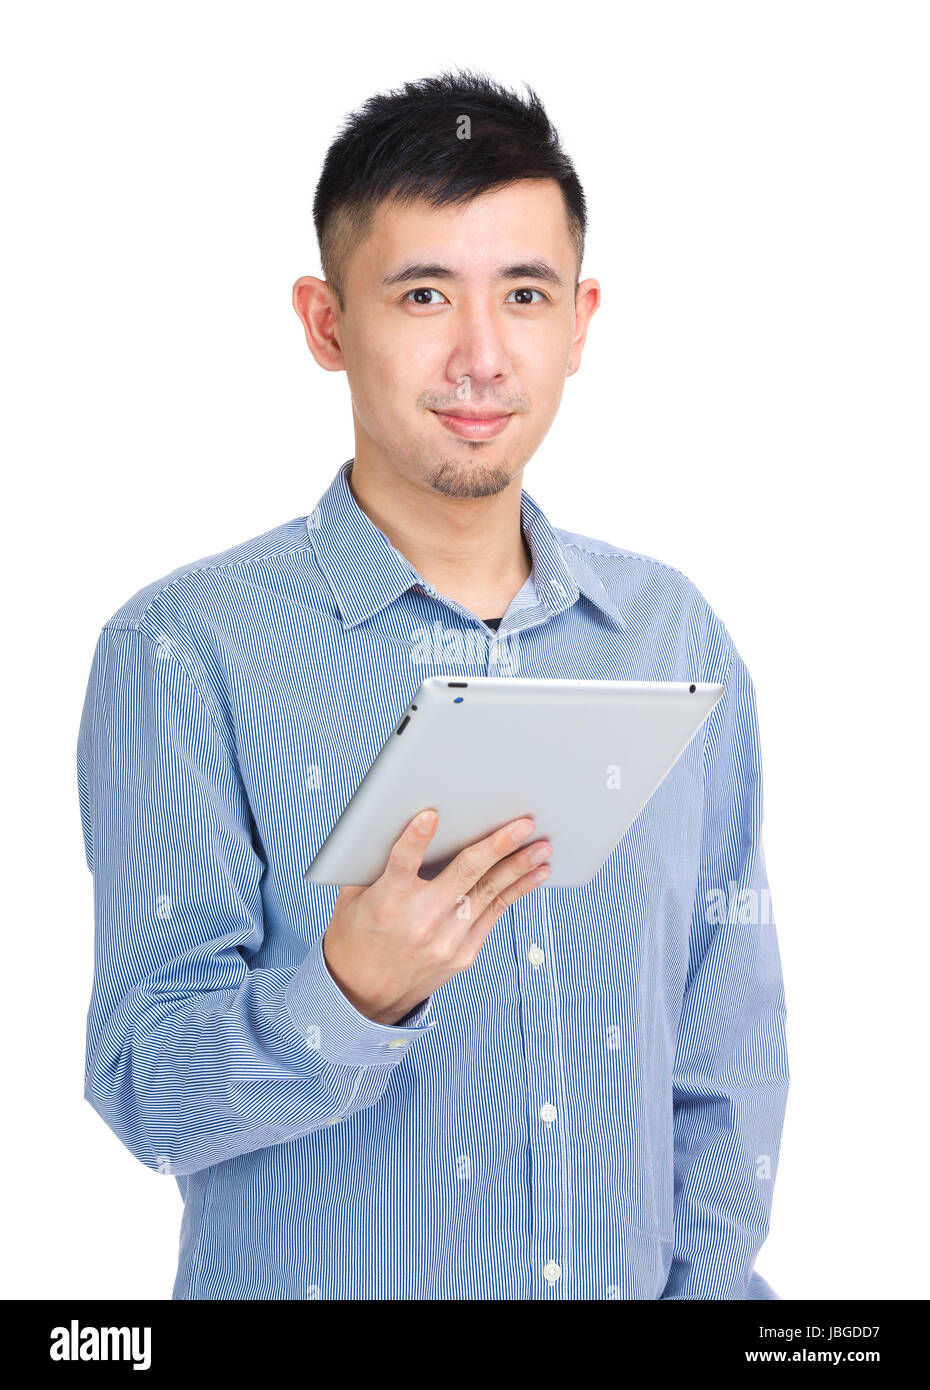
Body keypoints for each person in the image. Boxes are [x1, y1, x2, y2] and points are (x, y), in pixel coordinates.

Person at [77, 70, 789, 1300]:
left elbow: (726, 1059)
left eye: (525, 293)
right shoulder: (184, 647)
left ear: (581, 321)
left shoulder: (673, 637)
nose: (479, 355)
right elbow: (146, 1085)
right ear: (326, 322)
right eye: (422, 294)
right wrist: (351, 989)